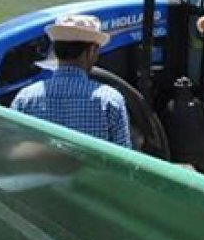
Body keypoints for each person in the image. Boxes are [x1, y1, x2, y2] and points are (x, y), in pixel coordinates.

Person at [10, 14, 131, 148]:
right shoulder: (110, 101)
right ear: (90, 51)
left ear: (56, 51)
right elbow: (125, 161)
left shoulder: (24, 99)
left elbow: (13, 150)